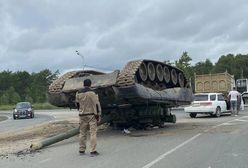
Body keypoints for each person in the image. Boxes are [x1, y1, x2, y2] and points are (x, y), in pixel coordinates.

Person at [75, 79, 102, 156]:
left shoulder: (78, 93)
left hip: (82, 115)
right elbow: (97, 104)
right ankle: (93, 151)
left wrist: (80, 111)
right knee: (93, 133)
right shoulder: (93, 92)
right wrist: (98, 115)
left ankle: (81, 150)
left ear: (83, 84)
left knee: (82, 133)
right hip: (92, 115)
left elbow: (77, 104)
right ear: (90, 84)